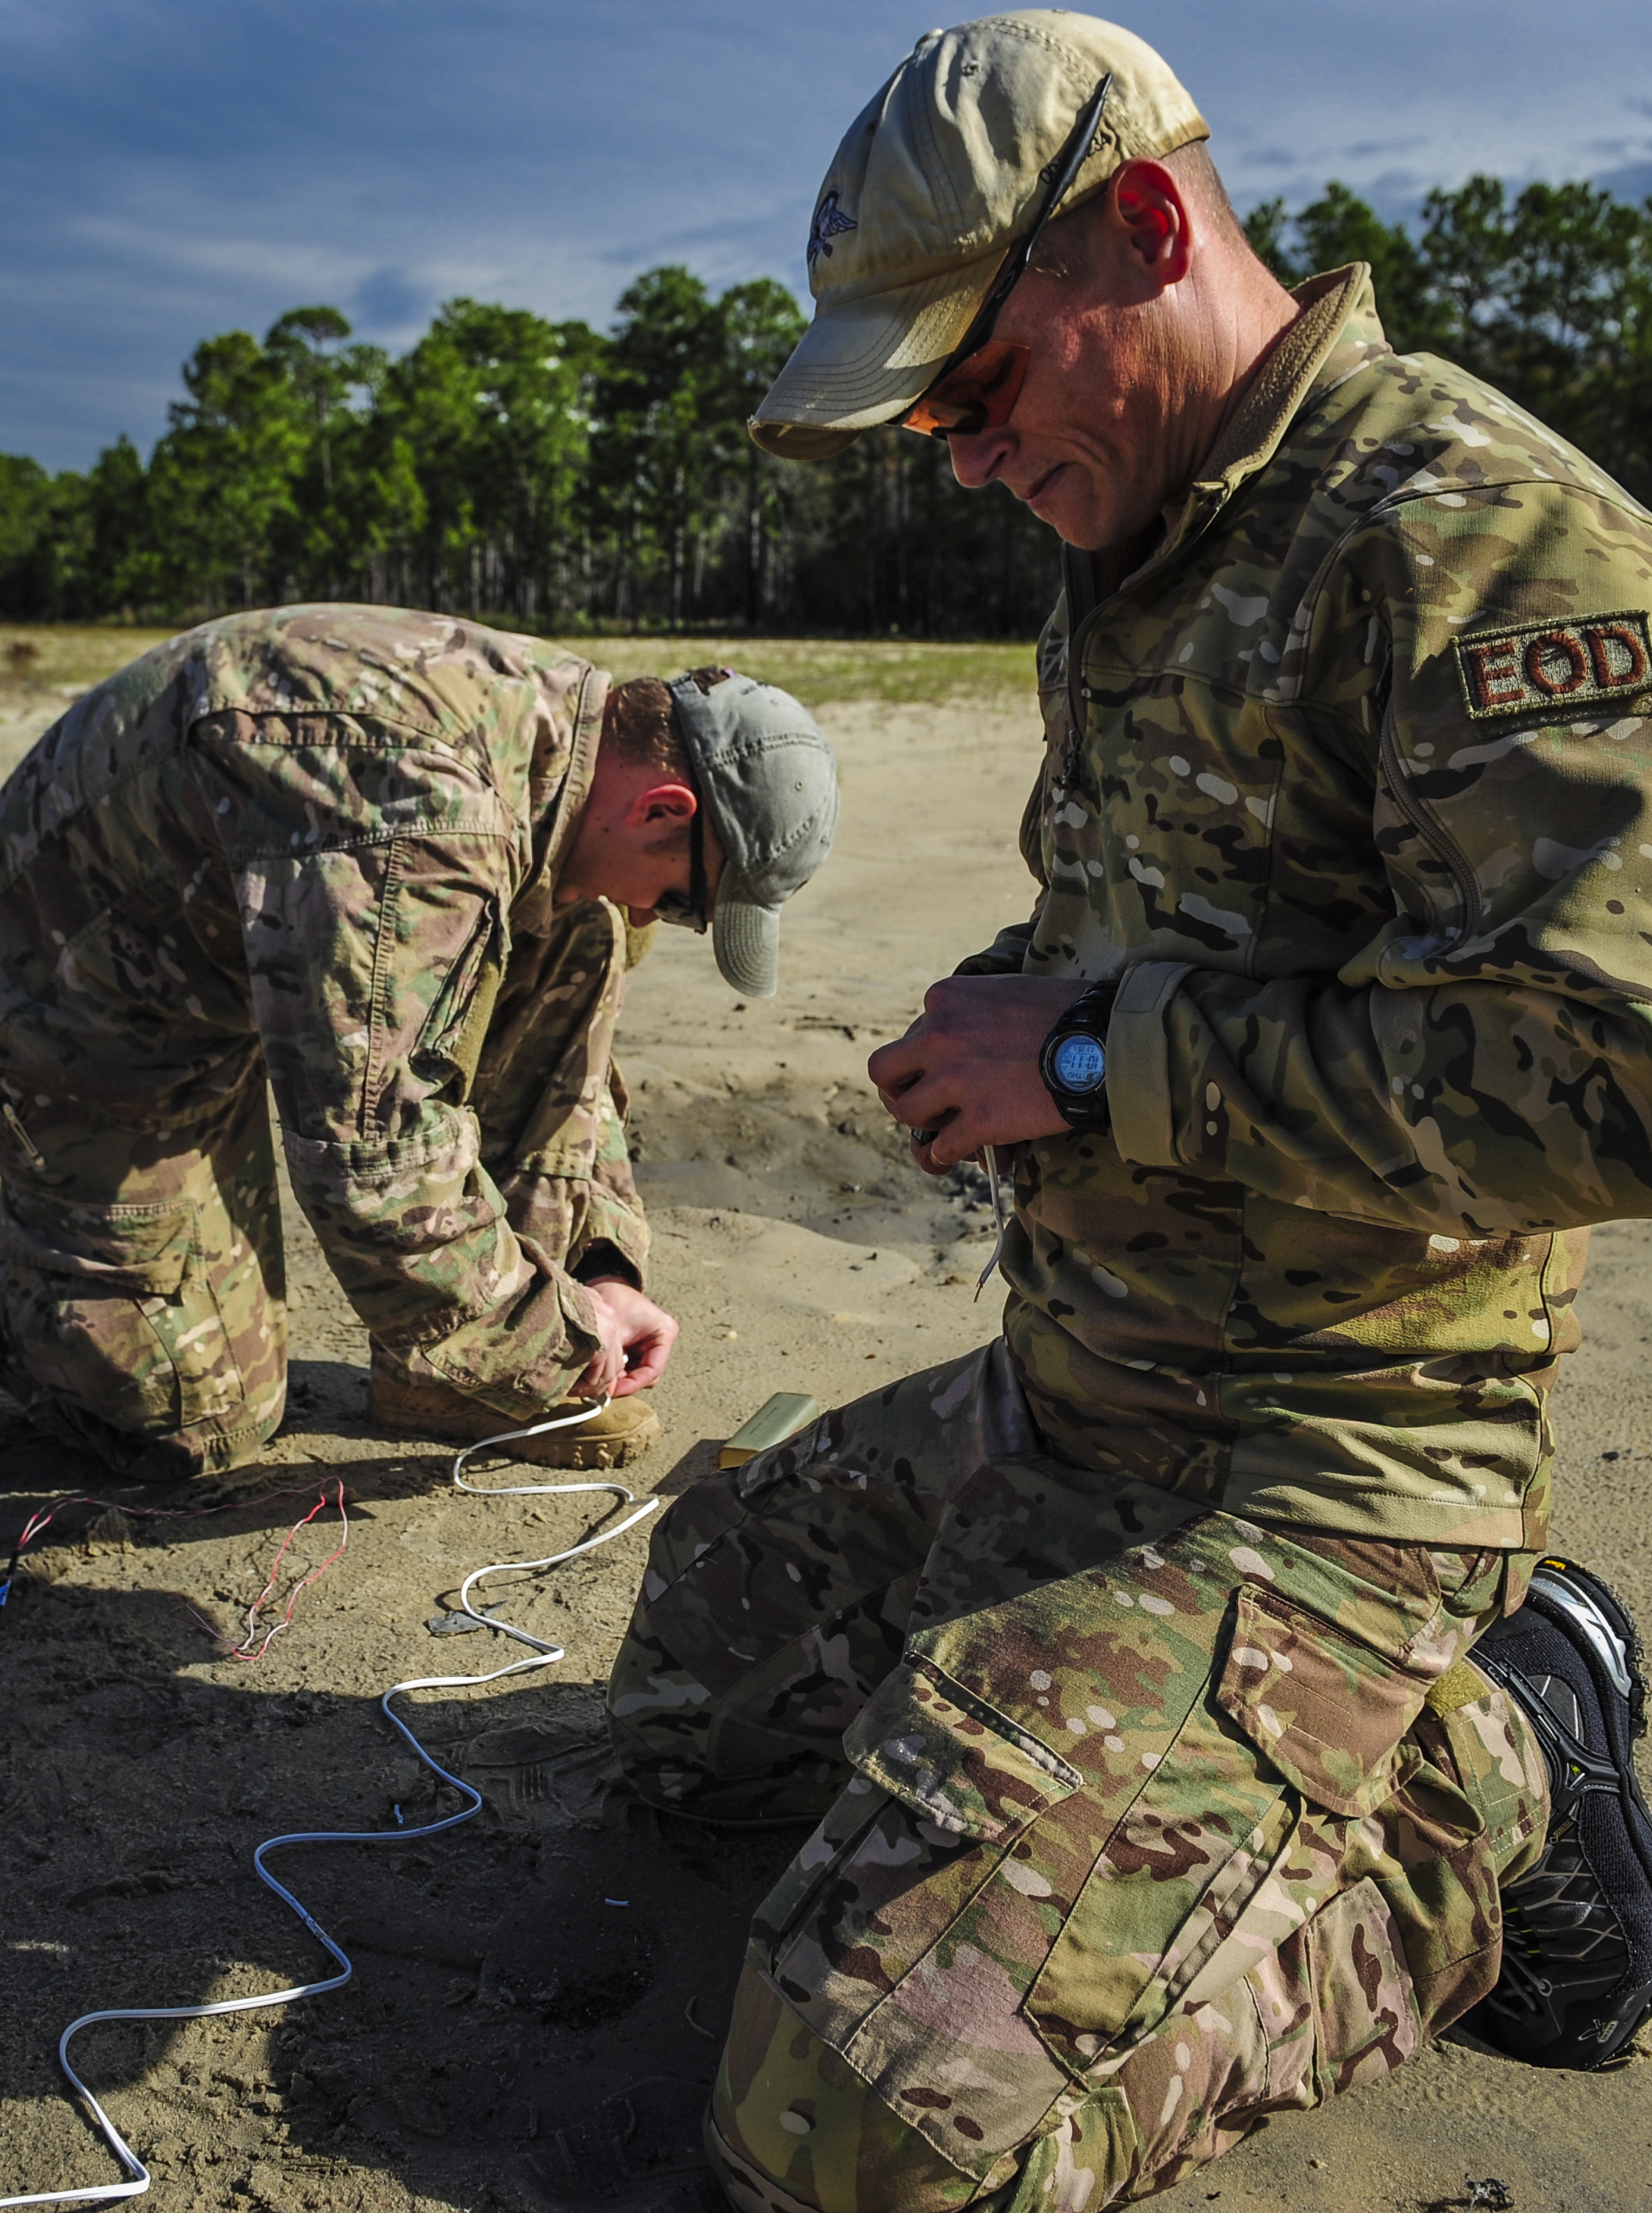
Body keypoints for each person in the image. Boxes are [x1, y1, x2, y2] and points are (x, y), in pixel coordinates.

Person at [604, 13, 1652, 2210]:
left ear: (1151, 229)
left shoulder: (1472, 536)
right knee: (690, 1705)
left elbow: (1614, 1074)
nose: (963, 460)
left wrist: (1090, 1059)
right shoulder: (1143, 543)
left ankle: (1496, 1772)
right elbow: (1187, 919)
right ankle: (1085, 1751)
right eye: (928, 422)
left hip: (1326, 1463)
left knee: (855, 2129)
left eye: (976, 386)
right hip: (1075, 1401)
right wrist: (1009, 1013)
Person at [0, 605, 837, 1479]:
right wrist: (556, 1343)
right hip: (86, 1012)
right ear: (662, 807)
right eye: (681, 900)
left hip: (242, 949)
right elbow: (368, 1159)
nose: (654, 913)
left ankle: (460, 1371)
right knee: (195, 1422)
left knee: (582, 927)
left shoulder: (575, 733)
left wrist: (598, 1279)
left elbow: (536, 1064)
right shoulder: (426, 820)